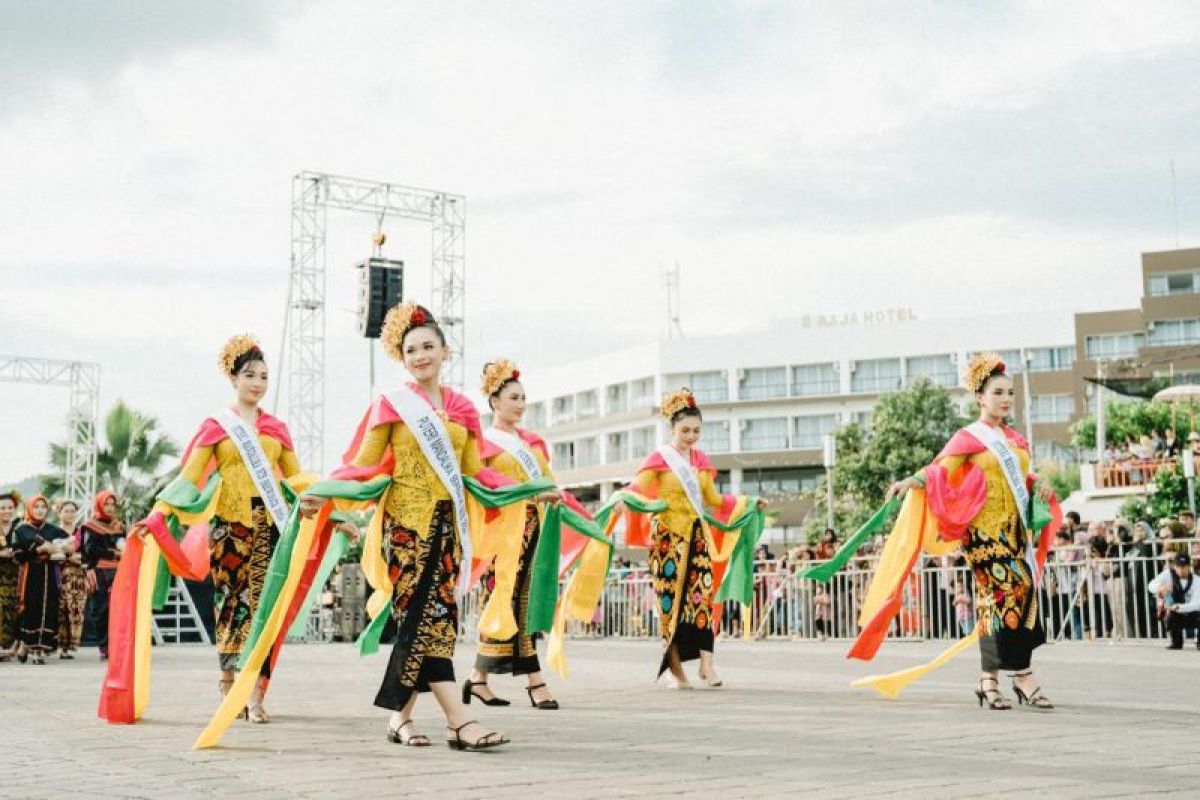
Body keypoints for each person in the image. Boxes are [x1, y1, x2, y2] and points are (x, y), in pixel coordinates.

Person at [326, 302, 515, 750]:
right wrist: (324, 490)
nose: (420, 355)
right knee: (421, 618)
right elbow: (364, 464)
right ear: (401, 356)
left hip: (448, 527)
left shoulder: (466, 410)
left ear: (445, 351)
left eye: (429, 346)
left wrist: (530, 490)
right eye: (411, 349)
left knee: (435, 623)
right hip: (406, 529)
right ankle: (459, 721)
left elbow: (475, 473)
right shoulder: (392, 406)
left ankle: (399, 719)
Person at [136, 335, 313, 723]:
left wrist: (322, 496)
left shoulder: (276, 428)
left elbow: (296, 477)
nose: (258, 383)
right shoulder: (217, 427)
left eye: (264, 376)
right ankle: (228, 683)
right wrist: (159, 513)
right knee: (231, 604)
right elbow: (190, 476)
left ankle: (255, 694)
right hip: (228, 528)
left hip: (269, 528)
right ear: (233, 377)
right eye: (249, 374)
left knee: (263, 607)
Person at [879, 352, 1059, 710]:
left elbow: (1021, 478)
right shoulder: (968, 437)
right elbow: (939, 471)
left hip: (1014, 531)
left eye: (1010, 393)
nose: (1006, 399)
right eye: (998, 392)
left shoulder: (1016, 441)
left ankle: (989, 680)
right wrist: (910, 481)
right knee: (1014, 589)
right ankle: (1022, 675)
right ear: (980, 397)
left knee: (1008, 600)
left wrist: (1038, 484)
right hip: (983, 533)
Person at [619, 388, 766, 688]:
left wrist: (747, 502)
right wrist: (630, 499)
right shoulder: (660, 458)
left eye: (696, 431)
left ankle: (707, 666)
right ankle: (676, 672)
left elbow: (713, 499)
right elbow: (637, 488)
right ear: (671, 428)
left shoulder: (701, 460)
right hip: (667, 540)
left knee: (703, 599)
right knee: (670, 604)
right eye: (685, 430)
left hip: (697, 538)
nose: (690, 436)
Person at [466, 359, 566, 710]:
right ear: (494, 401)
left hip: (532, 530)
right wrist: (526, 493)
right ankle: (534, 680)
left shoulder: (532, 444)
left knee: (526, 599)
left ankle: (479, 679)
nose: (521, 404)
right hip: (501, 534)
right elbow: (482, 484)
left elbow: (547, 480)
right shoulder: (483, 443)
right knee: (501, 598)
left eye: (523, 398)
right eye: (513, 397)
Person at [12, 494, 70, 664]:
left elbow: (69, 544)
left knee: (48, 609)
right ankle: (25, 643)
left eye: (43, 507)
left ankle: (39, 650)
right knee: (31, 609)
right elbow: (17, 555)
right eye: (36, 507)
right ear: (30, 508)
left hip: (50, 574)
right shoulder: (21, 530)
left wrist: (64, 548)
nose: (39, 510)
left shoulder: (52, 529)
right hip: (30, 575)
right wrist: (39, 550)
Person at [81, 490, 125, 661]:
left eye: (112, 504)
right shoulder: (91, 526)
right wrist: (114, 554)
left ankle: (117, 645)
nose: (110, 508)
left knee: (119, 609)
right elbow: (90, 550)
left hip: (119, 572)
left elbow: (125, 545)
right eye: (106, 504)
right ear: (99, 505)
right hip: (100, 572)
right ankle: (104, 646)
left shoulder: (119, 526)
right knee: (102, 609)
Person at [55, 500, 87, 659]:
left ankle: (70, 645)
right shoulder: (54, 532)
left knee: (76, 610)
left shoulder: (82, 533)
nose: (70, 514)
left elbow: (88, 554)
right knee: (61, 609)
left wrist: (76, 557)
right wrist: (68, 555)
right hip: (59, 575)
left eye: (73, 511)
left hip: (78, 577)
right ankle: (61, 646)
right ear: (59, 513)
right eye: (66, 511)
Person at [1149, 552, 1200, 650]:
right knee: (1170, 617)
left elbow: (1197, 604)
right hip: (1174, 612)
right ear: (1175, 566)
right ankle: (1176, 642)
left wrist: (1180, 607)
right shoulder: (1167, 575)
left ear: (1189, 567)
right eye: (1178, 566)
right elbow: (1151, 585)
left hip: (1191, 612)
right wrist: (1159, 587)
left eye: (1184, 566)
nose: (1181, 569)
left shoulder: (1197, 581)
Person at [0, 489, 20, 660]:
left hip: (16, 575)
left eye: (10, 508)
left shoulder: (20, 527)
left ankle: (9, 646)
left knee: (12, 610)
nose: (7, 511)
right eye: (3, 508)